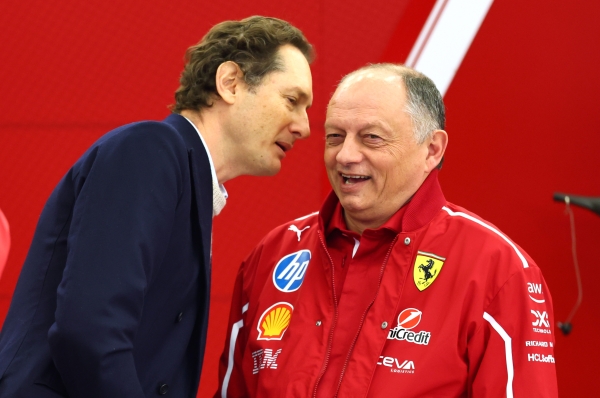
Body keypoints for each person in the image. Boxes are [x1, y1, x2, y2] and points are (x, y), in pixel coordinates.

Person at [0, 16, 313, 398]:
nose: (304, 126)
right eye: (292, 100)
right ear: (230, 83)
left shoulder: (180, 171)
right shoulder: (151, 150)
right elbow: (89, 330)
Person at [217, 64, 558, 397]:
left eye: (372, 138)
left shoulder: (498, 270)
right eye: (335, 137)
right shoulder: (274, 254)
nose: (345, 155)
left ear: (432, 149)